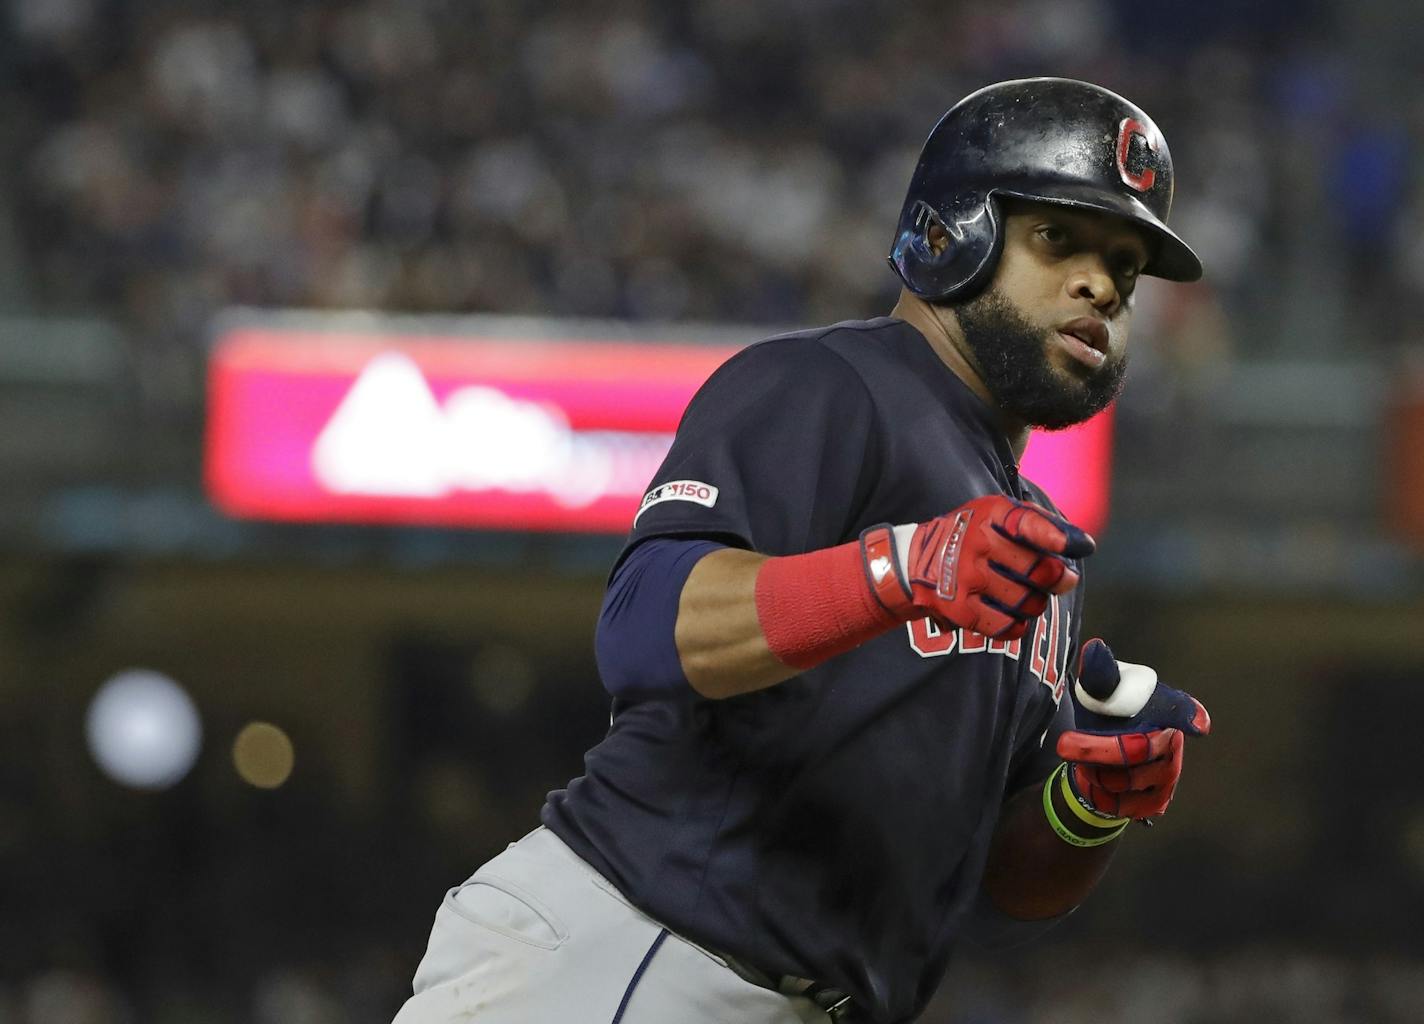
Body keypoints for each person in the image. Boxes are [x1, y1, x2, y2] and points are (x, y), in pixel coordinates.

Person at [392, 77, 1213, 1024]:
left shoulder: (1024, 537)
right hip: (634, 948)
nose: (1101, 285)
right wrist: (901, 569)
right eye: (1058, 239)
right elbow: (645, 629)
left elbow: (995, 885)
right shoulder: (827, 387)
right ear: (953, 230)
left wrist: (1090, 802)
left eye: (1125, 264)